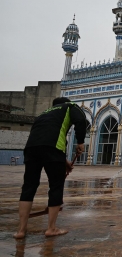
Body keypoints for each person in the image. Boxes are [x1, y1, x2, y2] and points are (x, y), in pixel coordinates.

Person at [14, 97, 87, 239]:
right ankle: (51, 229)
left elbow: (45, 137)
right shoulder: (70, 106)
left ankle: (21, 231)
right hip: (53, 148)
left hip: (31, 148)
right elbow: (81, 120)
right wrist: (80, 142)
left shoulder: (44, 113)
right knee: (56, 186)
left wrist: (63, 160)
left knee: (29, 186)